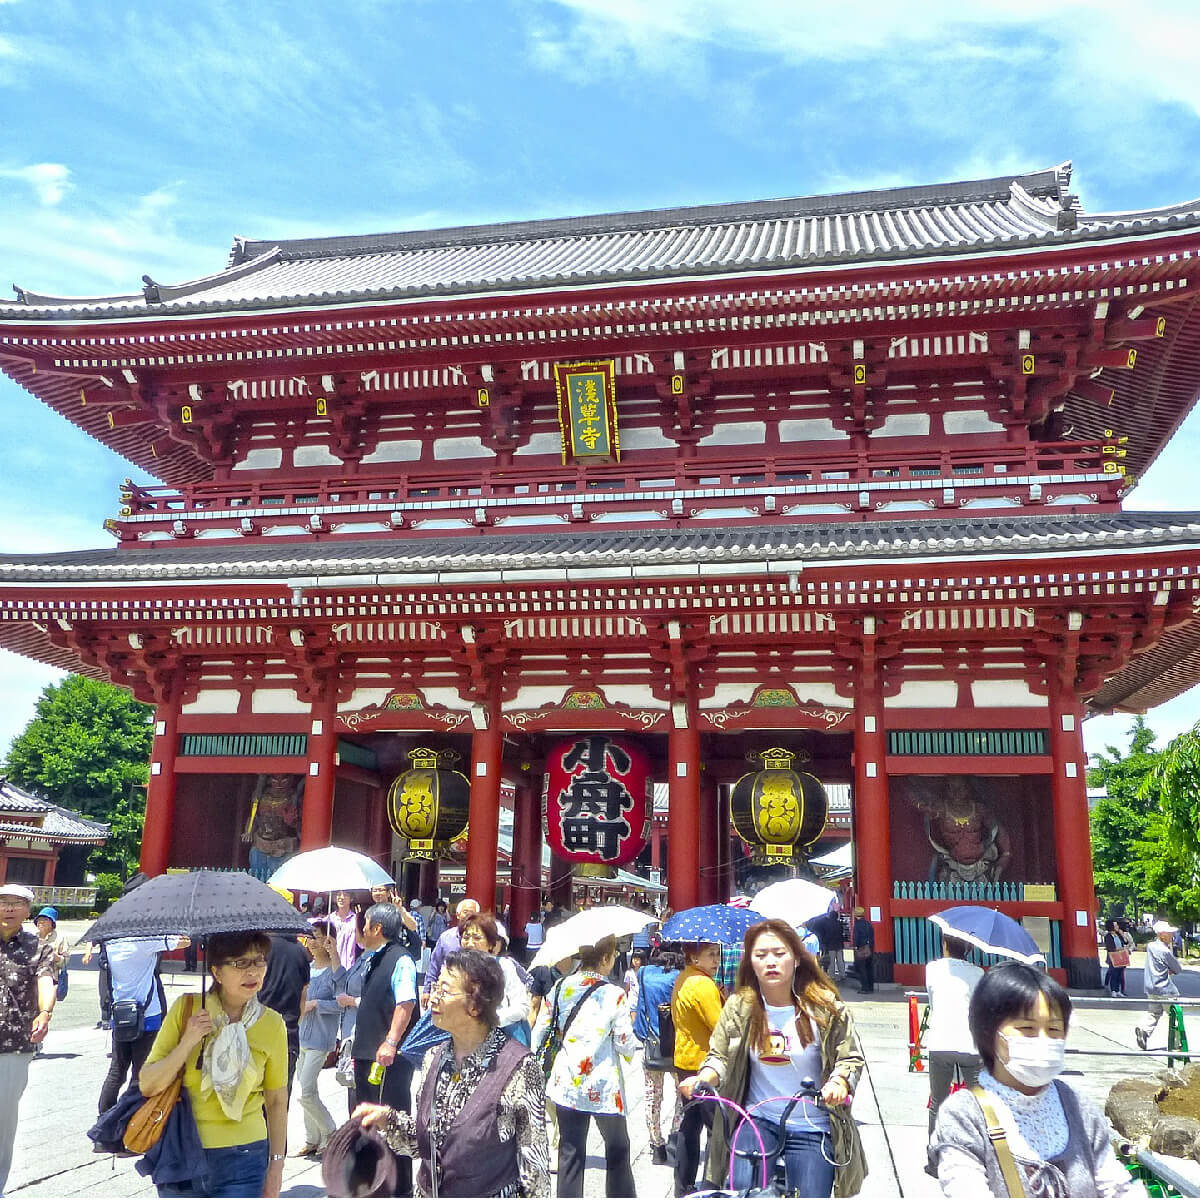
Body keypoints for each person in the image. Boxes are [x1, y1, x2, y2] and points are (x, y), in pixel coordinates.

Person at [678, 919, 867, 1197]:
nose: (770, 962)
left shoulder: (825, 1007)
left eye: (779, 954)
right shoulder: (739, 1006)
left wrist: (839, 1081)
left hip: (811, 1124)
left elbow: (849, 1058)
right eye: (761, 954)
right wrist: (704, 1079)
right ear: (750, 962)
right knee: (743, 1190)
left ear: (797, 959)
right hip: (758, 1118)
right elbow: (719, 1056)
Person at [930, 961, 1141, 1196]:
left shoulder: (1079, 1106)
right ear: (989, 1032)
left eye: (1053, 1030)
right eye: (1027, 1028)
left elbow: (1115, 1187)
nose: (1043, 1040)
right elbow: (965, 1189)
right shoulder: (964, 1115)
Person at [356, 948, 550, 1196]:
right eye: (436, 988)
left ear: (475, 1005)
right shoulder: (433, 1058)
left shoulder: (519, 1067)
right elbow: (430, 1142)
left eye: (444, 991)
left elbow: (535, 1168)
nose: (434, 998)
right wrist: (387, 1119)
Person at [139, 930, 289, 1199]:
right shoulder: (186, 1010)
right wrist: (188, 1040)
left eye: (259, 961)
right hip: (182, 1152)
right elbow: (148, 1083)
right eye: (240, 963)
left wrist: (276, 1164)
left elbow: (277, 1099)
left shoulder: (273, 1023)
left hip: (245, 1156)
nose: (253, 971)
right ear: (217, 972)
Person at [531, 933, 640, 1197]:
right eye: (613, 955)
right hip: (603, 1084)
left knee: (570, 1151)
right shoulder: (614, 994)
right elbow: (625, 1043)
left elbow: (541, 1030)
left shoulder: (560, 988)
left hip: (566, 1081)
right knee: (618, 1147)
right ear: (604, 958)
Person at [353, 901, 419, 1196]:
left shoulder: (401, 959)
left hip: (387, 1056)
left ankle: (398, 1187)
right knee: (367, 1119)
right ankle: (374, 1182)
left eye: (365, 924)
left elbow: (406, 1002)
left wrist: (391, 1041)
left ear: (377, 928)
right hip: (367, 1051)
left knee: (392, 1118)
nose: (362, 930)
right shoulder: (373, 957)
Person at [0, 883, 54, 1197]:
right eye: (3, 902)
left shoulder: (38, 947)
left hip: (13, 1044)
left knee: (3, 1120)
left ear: (27, 911)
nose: (8, 908)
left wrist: (45, 1012)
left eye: (16, 904)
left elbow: (46, 979)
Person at [97, 932, 190, 1113]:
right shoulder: (144, 941)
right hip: (147, 1016)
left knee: (117, 1070)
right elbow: (184, 942)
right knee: (142, 1072)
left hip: (121, 1014)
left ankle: (104, 1115)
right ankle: (131, 1115)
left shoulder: (111, 944)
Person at [671, 941, 724, 1196]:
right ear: (694, 958)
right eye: (710, 955)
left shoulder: (685, 978)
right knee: (716, 1129)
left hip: (684, 1060)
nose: (716, 960)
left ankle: (683, 1185)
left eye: (717, 955)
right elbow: (720, 1025)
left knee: (690, 1125)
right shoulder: (702, 984)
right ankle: (710, 1186)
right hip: (704, 1064)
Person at [924, 936, 984, 1159]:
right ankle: (980, 1155)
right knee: (979, 1104)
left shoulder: (932, 969)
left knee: (938, 1103)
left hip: (941, 1041)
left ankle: (934, 1158)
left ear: (945, 945)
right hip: (970, 1043)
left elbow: (932, 999)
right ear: (969, 948)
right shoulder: (978, 974)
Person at [292, 926, 343, 1157]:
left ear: (328, 940)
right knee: (305, 1089)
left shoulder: (335, 972)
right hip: (301, 1034)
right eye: (310, 937)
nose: (312, 942)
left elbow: (342, 1003)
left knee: (306, 1091)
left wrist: (317, 1005)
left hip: (321, 1037)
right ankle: (312, 1139)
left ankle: (330, 1133)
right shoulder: (307, 968)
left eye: (318, 937)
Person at [633, 945, 683, 1166]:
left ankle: (656, 1145)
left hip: (652, 1041)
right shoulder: (681, 976)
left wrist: (645, 1036)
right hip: (678, 1043)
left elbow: (640, 1007)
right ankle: (675, 1135)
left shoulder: (643, 973)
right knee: (682, 1092)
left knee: (653, 1095)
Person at [457, 912, 532, 1044]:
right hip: (464, 1039)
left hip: (500, 1040)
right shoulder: (455, 969)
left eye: (477, 938)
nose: (470, 943)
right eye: (466, 937)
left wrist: (490, 1020)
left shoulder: (503, 966)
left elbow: (522, 1006)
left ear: (491, 944)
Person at [257, 932, 310, 1095]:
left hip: (259, 1031)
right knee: (280, 1099)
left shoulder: (260, 948)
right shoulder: (300, 950)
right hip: (288, 1033)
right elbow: (303, 996)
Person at [422, 897, 479, 1006]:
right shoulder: (446, 937)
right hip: (446, 993)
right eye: (465, 912)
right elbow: (434, 965)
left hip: (472, 995)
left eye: (472, 913)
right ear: (458, 914)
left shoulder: (482, 938)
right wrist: (427, 990)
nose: (468, 916)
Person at [1136, 919, 1183, 1050]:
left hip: (1150, 987)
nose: (1172, 935)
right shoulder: (1165, 951)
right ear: (1162, 934)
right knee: (1175, 1015)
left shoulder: (1151, 946)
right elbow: (1178, 968)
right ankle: (1177, 1043)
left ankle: (1143, 1030)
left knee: (1153, 1012)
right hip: (1165, 988)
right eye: (1169, 933)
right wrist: (1171, 970)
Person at [33, 907, 69, 1001]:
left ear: (52, 923)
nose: (41, 922)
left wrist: (55, 957)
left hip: (51, 980)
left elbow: (65, 961)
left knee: (46, 1010)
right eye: (39, 919)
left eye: (45, 919)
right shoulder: (32, 938)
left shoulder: (60, 938)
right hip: (32, 980)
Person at [328, 891, 360, 970]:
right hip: (331, 966)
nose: (341, 898)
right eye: (339, 894)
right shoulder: (329, 919)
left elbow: (361, 944)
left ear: (351, 898)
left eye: (345, 895)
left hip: (349, 967)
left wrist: (359, 922)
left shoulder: (355, 919)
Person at [1103, 919, 1134, 998]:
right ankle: (1113, 990)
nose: (1117, 927)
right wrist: (1121, 949)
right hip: (1113, 956)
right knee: (1114, 973)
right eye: (1115, 925)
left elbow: (1126, 942)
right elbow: (1111, 947)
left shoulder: (1118, 934)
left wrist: (1122, 935)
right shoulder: (1108, 936)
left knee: (1120, 974)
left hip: (1121, 956)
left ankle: (1118, 990)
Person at [852, 907, 875, 993]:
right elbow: (872, 936)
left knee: (862, 969)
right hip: (869, 948)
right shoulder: (868, 924)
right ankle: (871, 987)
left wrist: (855, 947)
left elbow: (856, 937)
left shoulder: (857, 925)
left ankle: (865, 988)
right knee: (869, 968)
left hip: (861, 949)